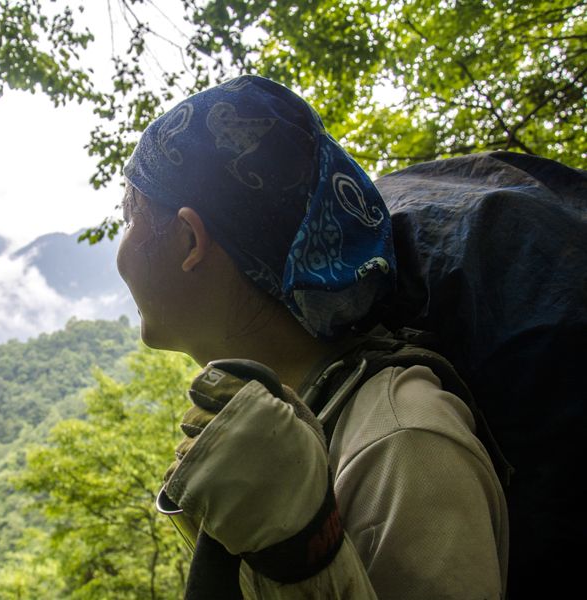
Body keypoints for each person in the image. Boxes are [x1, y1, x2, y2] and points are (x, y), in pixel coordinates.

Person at [115, 75, 508, 599]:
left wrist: (299, 559)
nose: (118, 249)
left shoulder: (402, 445)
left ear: (190, 239)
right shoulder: (291, 424)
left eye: (128, 218)